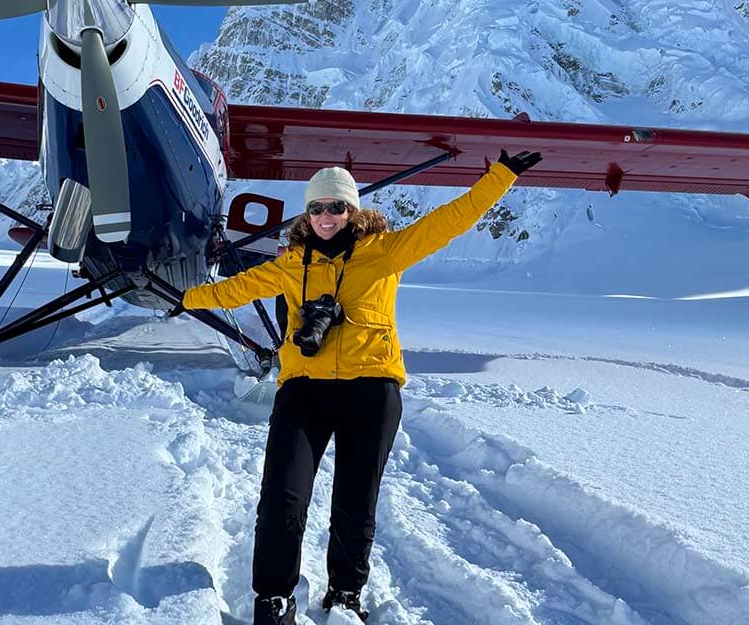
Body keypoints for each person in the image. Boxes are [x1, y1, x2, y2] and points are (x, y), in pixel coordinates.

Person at [181, 149, 542, 625]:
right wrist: (182, 297)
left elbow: (449, 220)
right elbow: (233, 289)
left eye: (336, 207)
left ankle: (346, 594)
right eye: (316, 208)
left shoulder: (386, 251)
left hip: (370, 390)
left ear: (353, 210)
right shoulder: (291, 263)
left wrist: (501, 176)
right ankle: (273, 598)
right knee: (282, 496)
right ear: (306, 215)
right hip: (304, 390)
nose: (326, 217)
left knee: (355, 500)